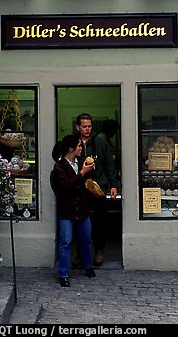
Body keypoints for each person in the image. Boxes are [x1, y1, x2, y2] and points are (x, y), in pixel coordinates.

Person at [50, 134, 96, 287]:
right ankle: (63, 273)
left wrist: (90, 169)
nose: (81, 148)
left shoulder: (82, 162)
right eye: (79, 146)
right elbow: (66, 186)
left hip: (82, 208)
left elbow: (89, 182)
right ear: (71, 149)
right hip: (67, 210)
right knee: (66, 241)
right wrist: (81, 173)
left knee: (87, 239)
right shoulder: (59, 167)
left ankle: (87, 266)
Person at [75, 113, 121, 266]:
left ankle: (99, 251)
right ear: (78, 127)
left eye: (89, 126)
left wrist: (114, 184)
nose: (87, 129)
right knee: (80, 220)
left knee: (101, 221)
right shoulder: (73, 143)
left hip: (99, 187)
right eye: (84, 127)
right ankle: (80, 253)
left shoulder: (100, 142)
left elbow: (109, 164)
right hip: (80, 188)